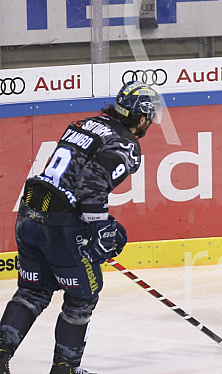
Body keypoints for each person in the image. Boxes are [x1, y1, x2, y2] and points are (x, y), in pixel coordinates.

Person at [0, 81, 162, 374]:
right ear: (141, 117)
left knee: (31, 293)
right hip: (60, 225)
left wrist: (97, 225)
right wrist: (98, 227)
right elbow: (91, 185)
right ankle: (65, 370)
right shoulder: (126, 144)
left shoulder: (83, 123)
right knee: (82, 297)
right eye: (149, 117)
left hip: (31, 211)